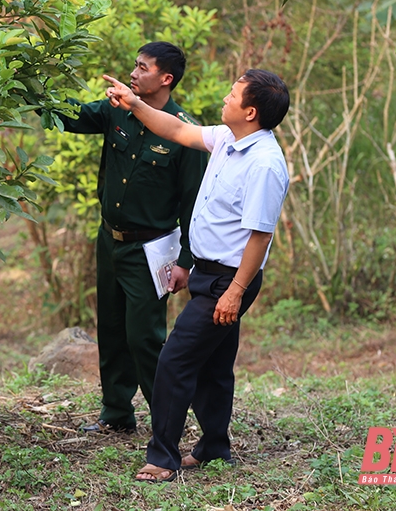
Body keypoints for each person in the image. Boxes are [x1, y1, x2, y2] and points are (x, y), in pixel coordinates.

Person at [103, 68, 290, 482]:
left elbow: (259, 237)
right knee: (214, 365)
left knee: (173, 361)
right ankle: (214, 448)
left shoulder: (264, 164)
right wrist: (134, 103)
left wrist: (235, 292)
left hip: (228, 281)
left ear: (251, 111)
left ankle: (162, 457)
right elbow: (176, 130)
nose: (225, 97)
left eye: (233, 94)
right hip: (208, 273)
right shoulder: (228, 139)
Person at [50, 42, 207, 433]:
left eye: (142, 67)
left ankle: (166, 423)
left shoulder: (183, 131)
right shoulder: (116, 111)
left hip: (151, 248)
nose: (133, 74)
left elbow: (193, 204)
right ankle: (116, 414)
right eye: (134, 66)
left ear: (165, 78)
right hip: (111, 241)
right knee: (113, 330)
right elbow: (72, 117)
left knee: (145, 337)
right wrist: (28, 91)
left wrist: (187, 261)